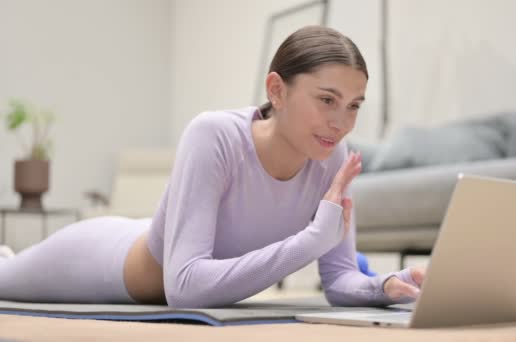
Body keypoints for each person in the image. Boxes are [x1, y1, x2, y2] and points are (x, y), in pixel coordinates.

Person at [0, 25, 425, 308]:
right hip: (100, 261)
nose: (341, 122)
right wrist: (312, 241)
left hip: (143, 237)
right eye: (327, 100)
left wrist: (385, 286)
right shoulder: (215, 136)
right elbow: (183, 287)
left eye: (353, 106)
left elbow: (340, 278)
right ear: (276, 90)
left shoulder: (332, 156)